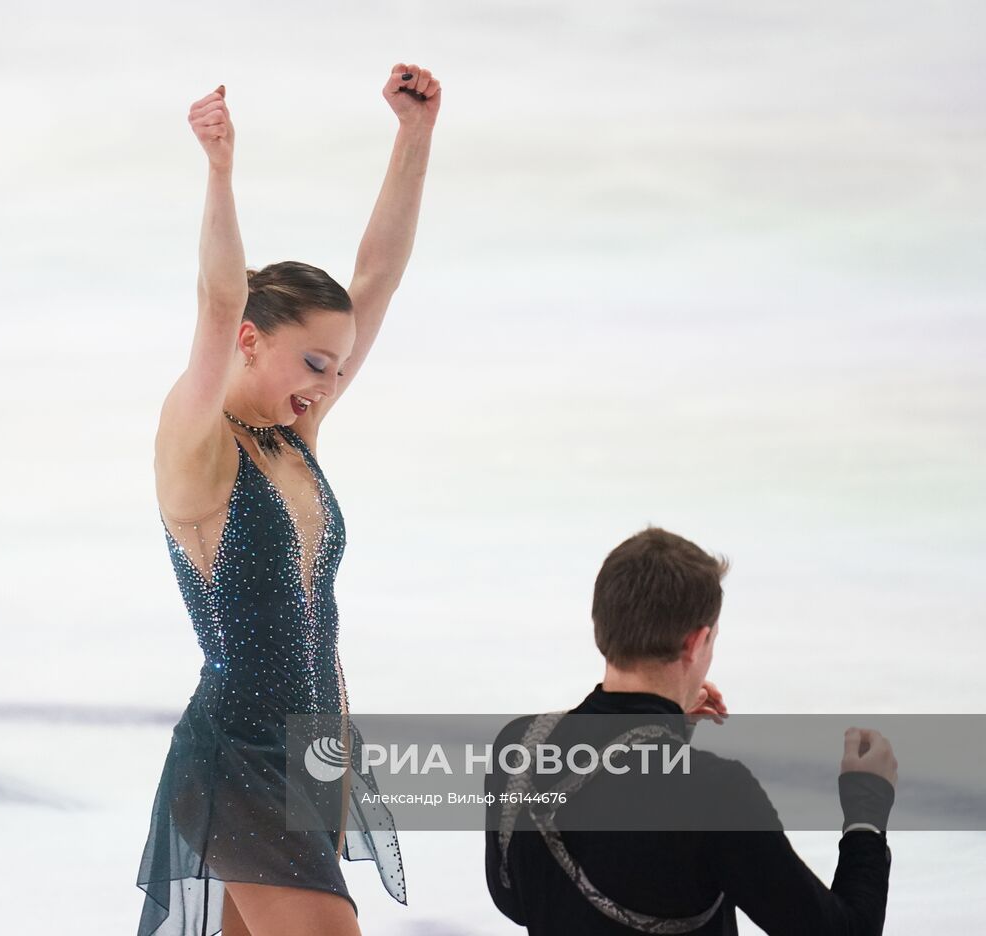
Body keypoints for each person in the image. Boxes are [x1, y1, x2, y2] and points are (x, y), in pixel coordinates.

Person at [136, 63, 440, 936]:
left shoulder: (289, 441)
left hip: (311, 755)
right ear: (249, 341)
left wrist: (414, 139)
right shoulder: (198, 447)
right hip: (235, 757)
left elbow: (375, 278)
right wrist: (221, 171)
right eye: (312, 365)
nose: (326, 387)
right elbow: (217, 294)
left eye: (337, 371)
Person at [484, 527, 897, 934]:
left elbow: (520, 901)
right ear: (695, 641)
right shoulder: (713, 792)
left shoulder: (520, 745)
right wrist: (866, 810)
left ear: (600, 624)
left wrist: (668, 729)